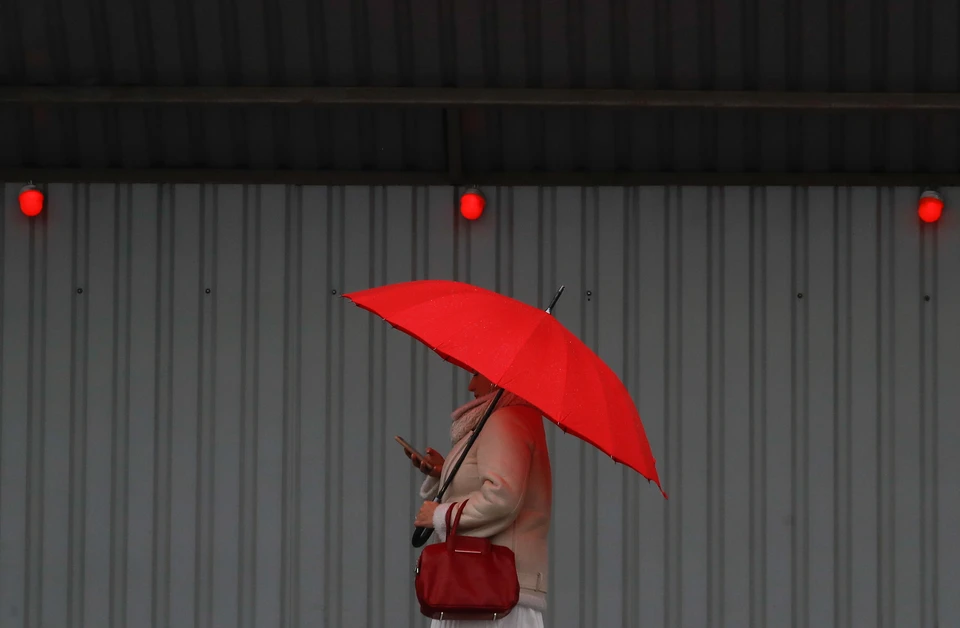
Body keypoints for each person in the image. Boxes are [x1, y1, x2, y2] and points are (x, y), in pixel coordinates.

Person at [407, 372, 552, 628]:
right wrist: (445, 473)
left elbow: (502, 496)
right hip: (486, 589)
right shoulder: (504, 419)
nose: (470, 385)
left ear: (498, 379)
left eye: (476, 375)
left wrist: (440, 515)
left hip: (490, 591)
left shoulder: (506, 419)